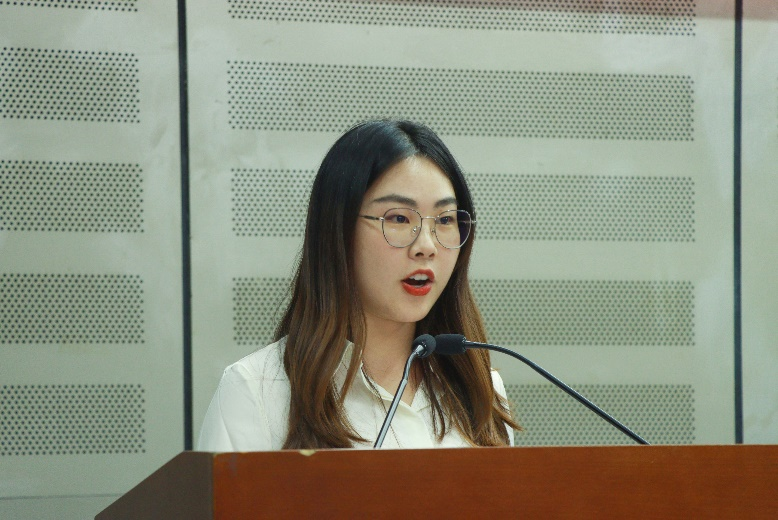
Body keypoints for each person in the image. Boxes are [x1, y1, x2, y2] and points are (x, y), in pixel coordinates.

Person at [198, 119, 519, 451]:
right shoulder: (258, 392)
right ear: (338, 229)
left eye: (445, 220)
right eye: (398, 218)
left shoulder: (481, 392)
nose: (426, 246)